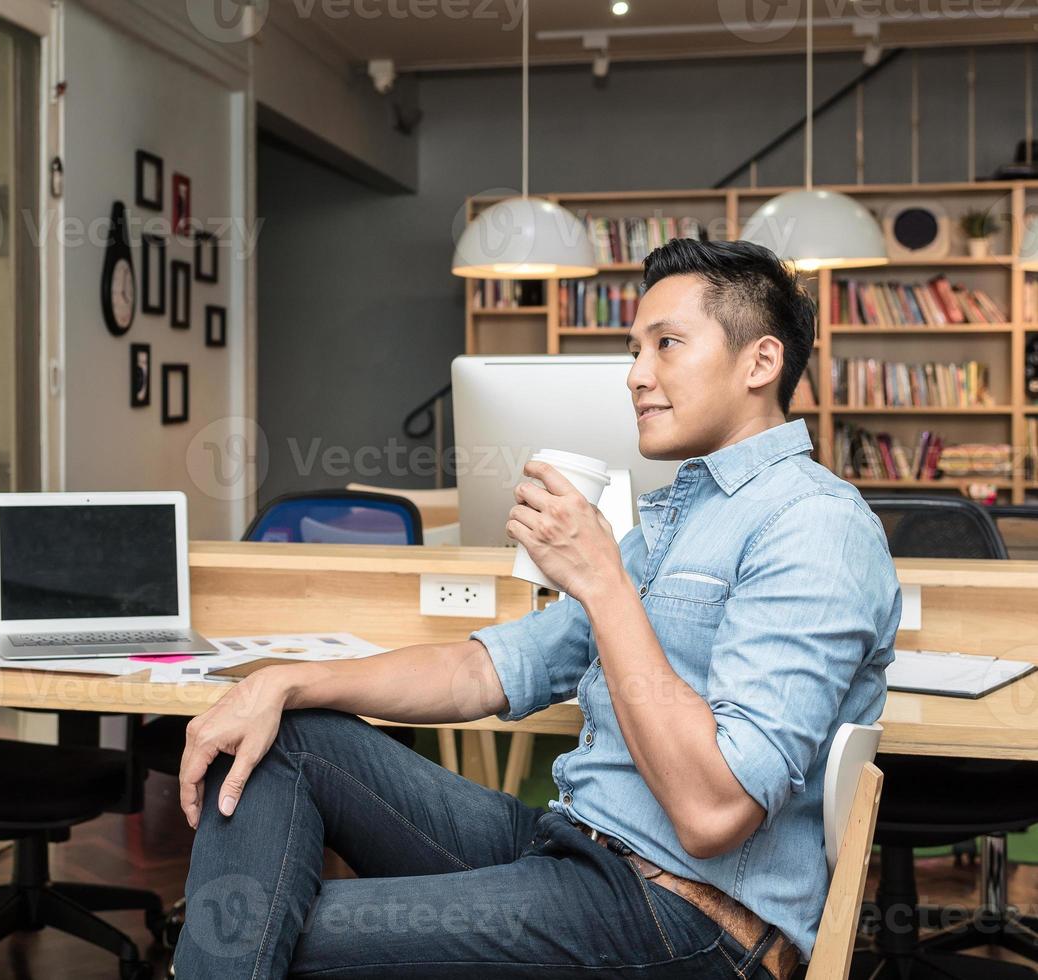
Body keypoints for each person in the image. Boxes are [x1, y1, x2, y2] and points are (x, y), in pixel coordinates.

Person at [173, 238, 900, 980]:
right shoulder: (676, 525)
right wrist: (285, 681)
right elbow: (486, 670)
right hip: (578, 849)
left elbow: (714, 814)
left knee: (247, 927)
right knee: (287, 734)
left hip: (687, 915)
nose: (635, 376)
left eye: (666, 345)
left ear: (761, 363)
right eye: (633, 349)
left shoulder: (814, 527)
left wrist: (603, 581)